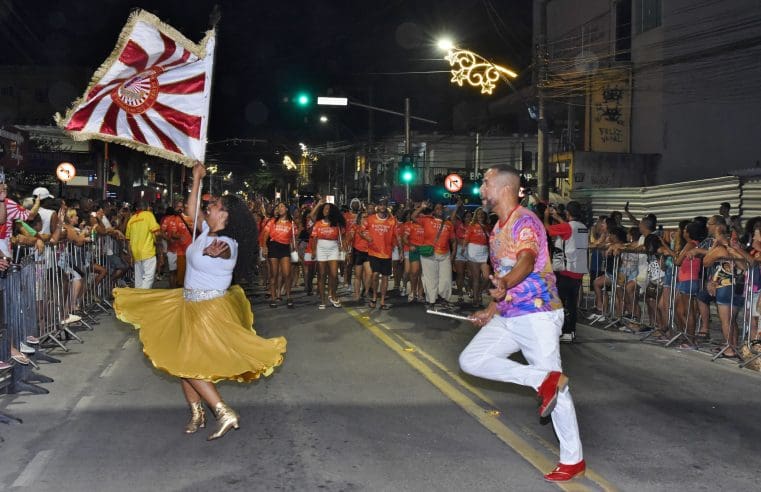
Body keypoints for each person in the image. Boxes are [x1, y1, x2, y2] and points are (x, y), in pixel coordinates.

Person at [114, 163, 286, 441]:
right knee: (182, 360)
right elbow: (193, 209)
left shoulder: (228, 243)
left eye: (216, 204)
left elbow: (223, 252)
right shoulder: (205, 231)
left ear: (226, 215)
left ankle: (222, 410)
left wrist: (215, 252)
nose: (210, 206)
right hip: (188, 304)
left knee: (185, 361)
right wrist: (196, 179)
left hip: (207, 311)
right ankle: (197, 412)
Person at [458, 165, 584, 483]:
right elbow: (503, 274)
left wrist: (504, 285)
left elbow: (526, 261)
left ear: (503, 188)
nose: (481, 189)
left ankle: (573, 459)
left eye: (485, 183)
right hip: (509, 314)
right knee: (471, 360)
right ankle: (543, 379)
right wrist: (491, 307)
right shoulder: (497, 228)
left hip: (538, 315)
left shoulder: (524, 221)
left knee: (558, 392)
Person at [544, 201, 589, 342]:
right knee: (572, 303)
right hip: (578, 270)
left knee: (561, 303)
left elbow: (547, 229)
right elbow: (568, 230)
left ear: (568, 213)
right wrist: (558, 218)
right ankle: (571, 332)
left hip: (566, 270)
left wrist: (546, 217)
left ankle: (564, 331)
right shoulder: (583, 227)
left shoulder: (567, 227)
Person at [411, 201, 456, 308]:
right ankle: (431, 301)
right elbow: (413, 216)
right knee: (431, 278)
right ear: (433, 211)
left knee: (446, 278)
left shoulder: (448, 224)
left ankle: (443, 298)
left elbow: (453, 240)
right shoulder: (427, 220)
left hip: (445, 254)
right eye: (437, 208)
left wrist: (453, 254)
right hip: (429, 254)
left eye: (441, 208)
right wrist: (422, 207)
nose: (439, 210)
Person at [361, 198, 400, 310]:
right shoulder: (370, 219)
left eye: (384, 205)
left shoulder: (392, 221)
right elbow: (362, 230)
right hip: (373, 252)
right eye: (380, 204)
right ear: (377, 207)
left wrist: (400, 250)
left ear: (386, 206)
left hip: (387, 253)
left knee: (385, 278)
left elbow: (397, 235)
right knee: (375, 274)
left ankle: (382, 301)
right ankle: (374, 298)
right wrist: (367, 237)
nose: (382, 206)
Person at [310, 200, 346, 309]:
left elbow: (342, 238)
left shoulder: (336, 224)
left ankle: (333, 295)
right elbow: (314, 238)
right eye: (324, 209)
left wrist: (344, 249)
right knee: (322, 275)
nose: (326, 211)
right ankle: (322, 300)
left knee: (334, 274)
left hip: (333, 248)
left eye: (328, 209)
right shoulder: (318, 223)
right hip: (321, 248)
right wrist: (313, 251)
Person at [262, 202, 297, 308]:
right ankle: (273, 299)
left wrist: (294, 247)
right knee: (274, 274)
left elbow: (294, 236)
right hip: (273, 247)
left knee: (287, 273)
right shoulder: (272, 221)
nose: (280, 208)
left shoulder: (291, 223)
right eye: (278, 207)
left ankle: (289, 297)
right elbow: (265, 234)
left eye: (282, 207)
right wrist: (264, 246)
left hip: (285, 248)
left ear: (286, 209)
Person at [125, 201, 161, 289]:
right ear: (147, 207)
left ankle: (138, 299)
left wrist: (130, 255)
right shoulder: (148, 215)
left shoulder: (131, 219)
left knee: (138, 279)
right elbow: (156, 233)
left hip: (136, 253)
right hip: (147, 251)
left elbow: (128, 240)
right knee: (148, 277)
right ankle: (142, 297)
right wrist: (158, 244)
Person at [160, 206, 192, 288]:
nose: (179, 209)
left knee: (184, 274)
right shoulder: (168, 219)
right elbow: (162, 232)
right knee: (172, 272)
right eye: (177, 206)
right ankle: (172, 292)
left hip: (185, 251)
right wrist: (169, 239)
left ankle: (181, 292)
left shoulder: (190, 219)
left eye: (181, 207)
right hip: (172, 250)